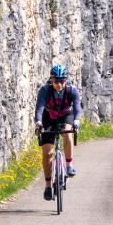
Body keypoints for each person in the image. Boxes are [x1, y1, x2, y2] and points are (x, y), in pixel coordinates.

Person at [34, 64, 81, 201]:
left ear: (66, 80)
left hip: (66, 115)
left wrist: (77, 121)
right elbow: (39, 109)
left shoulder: (72, 90)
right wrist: (38, 122)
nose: (59, 84)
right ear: (51, 80)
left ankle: (69, 165)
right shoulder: (44, 90)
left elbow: (77, 107)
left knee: (68, 132)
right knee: (47, 152)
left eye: (62, 81)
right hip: (48, 117)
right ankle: (48, 186)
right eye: (56, 81)